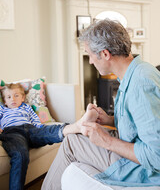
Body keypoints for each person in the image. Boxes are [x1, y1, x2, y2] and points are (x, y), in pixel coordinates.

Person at [42, 18, 160, 190]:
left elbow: (156, 155)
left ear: (105, 54)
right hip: (132, 156)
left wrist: (107, 141)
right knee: (74, 139)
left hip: (141, 170)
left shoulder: (140, 84)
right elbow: (144, 120)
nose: (89, 61)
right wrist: (110, 120)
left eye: (90, 54)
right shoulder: (136, 71)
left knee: (70, 144)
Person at [0, 83, 99, 190]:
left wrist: (40, 129)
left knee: (48, 131)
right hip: (13, 133)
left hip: (30, 129)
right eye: (9, 97)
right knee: (20, 155)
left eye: (16, 95)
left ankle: (75, 127)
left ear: (23, 97)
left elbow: (35, 120)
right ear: (5, 101)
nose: (13, 99)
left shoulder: (27, 108)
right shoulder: (3, 109)